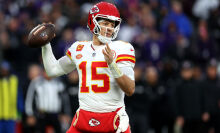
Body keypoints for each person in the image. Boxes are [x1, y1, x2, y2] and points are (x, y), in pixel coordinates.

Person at [41, 2, 135, 133]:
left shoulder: (122, 48)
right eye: (105, 23)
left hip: (113, 121)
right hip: (84, 119)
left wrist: (112, 66)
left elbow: (130, 89)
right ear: (93, 21)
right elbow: (52, 70)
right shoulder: (79, 48)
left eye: (112, 25)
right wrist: (45, 45)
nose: (109, 28)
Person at [25, 67, 71, 133]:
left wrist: (66, 113)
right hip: (41, 114)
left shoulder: (59, 83)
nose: (48, 74)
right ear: (42, 72)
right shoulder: (36, 82)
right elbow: (29, 98)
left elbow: (65, 100)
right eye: (46, 71)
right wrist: (30, 114)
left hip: (56, 114)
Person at [0, 61, 23, 133]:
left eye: (5, 69)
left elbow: (19, 96)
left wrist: (20, 112)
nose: (4, 71)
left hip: (11, 117)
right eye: (2, 69)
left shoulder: (14, 80)